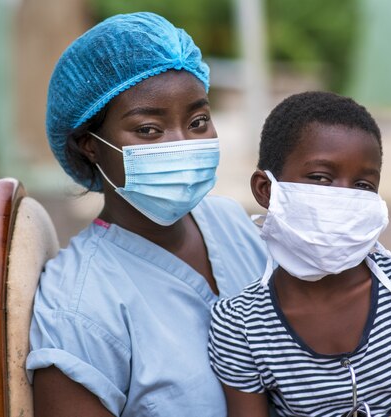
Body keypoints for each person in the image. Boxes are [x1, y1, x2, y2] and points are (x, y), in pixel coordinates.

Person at [26, 12, 267, 417]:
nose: (182, 144)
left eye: (198, 122)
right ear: (90, 144)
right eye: (149, 130)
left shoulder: (231, 224)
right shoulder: (78, 307)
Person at [208, 91, 391, 417]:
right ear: (266, 190)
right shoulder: (240, 325)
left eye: (363, 185)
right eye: (321, 177)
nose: (344, 198)